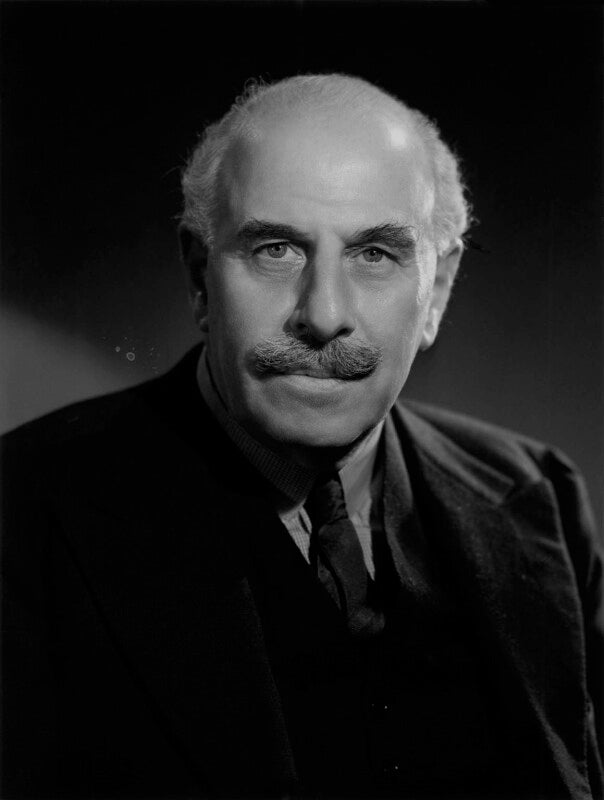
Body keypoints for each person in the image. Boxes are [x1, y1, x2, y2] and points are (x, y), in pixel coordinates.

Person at [1, 73, 602, 800]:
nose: (322, 315)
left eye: (374, 254)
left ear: (437, 292)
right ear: (199, 277)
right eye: (276, 250)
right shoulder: (21, 512)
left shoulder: (541, 495)